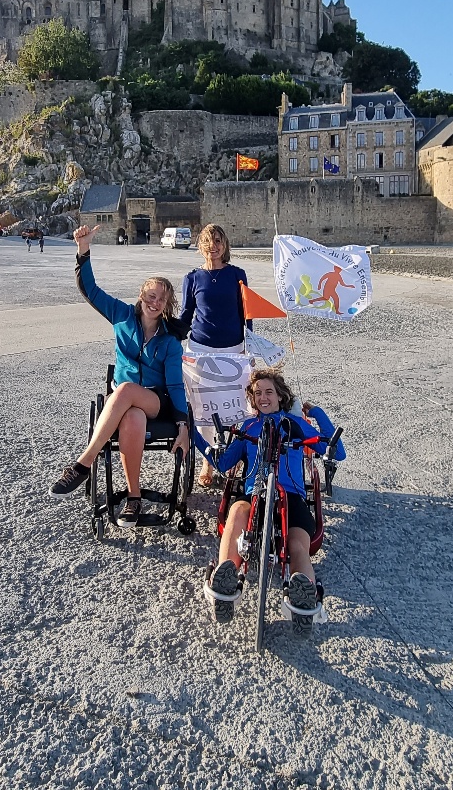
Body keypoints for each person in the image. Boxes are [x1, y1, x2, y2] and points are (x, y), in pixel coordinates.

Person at [48, 224, 189, 528]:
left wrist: (183, 424)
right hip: (127, 406)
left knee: (125, 389)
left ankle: (83, 463)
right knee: (132, 418)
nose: (155, 303)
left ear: (166, 305)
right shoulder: (122, 316)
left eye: (161, 299)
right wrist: (83, 250)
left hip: (156, 400)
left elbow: (176, 384)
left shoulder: (169, 340)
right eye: (151, 295)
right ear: (141, 295)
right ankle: (134, 498)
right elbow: (91, 291)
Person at [205, 368, 344, 637]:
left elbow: (337, 453)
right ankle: (226, 576)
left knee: (297, 544)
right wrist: (195, 436)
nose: (263, 397)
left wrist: (316, 413)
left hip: (290, 496)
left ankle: (302, 589)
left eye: (269, 392)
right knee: (237, 510)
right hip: (254, 493)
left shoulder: (295, 424)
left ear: (281, 396)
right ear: (253, 399)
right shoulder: (248, 427)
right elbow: (222, 464)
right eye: (258, 393)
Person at [179, 224, 251, 487]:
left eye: (218, 241)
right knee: (204, 407)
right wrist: (166, 334)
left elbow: (247, 314)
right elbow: (186, 315)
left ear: (225, 245)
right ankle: (207, 461)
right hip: (200, 349)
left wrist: (250, 346)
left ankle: (239, 454)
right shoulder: (192, 278)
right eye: (208, 241)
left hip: (233, 349)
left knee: (238, 404)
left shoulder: (237, 275)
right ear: (200, 246)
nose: (214, 246)